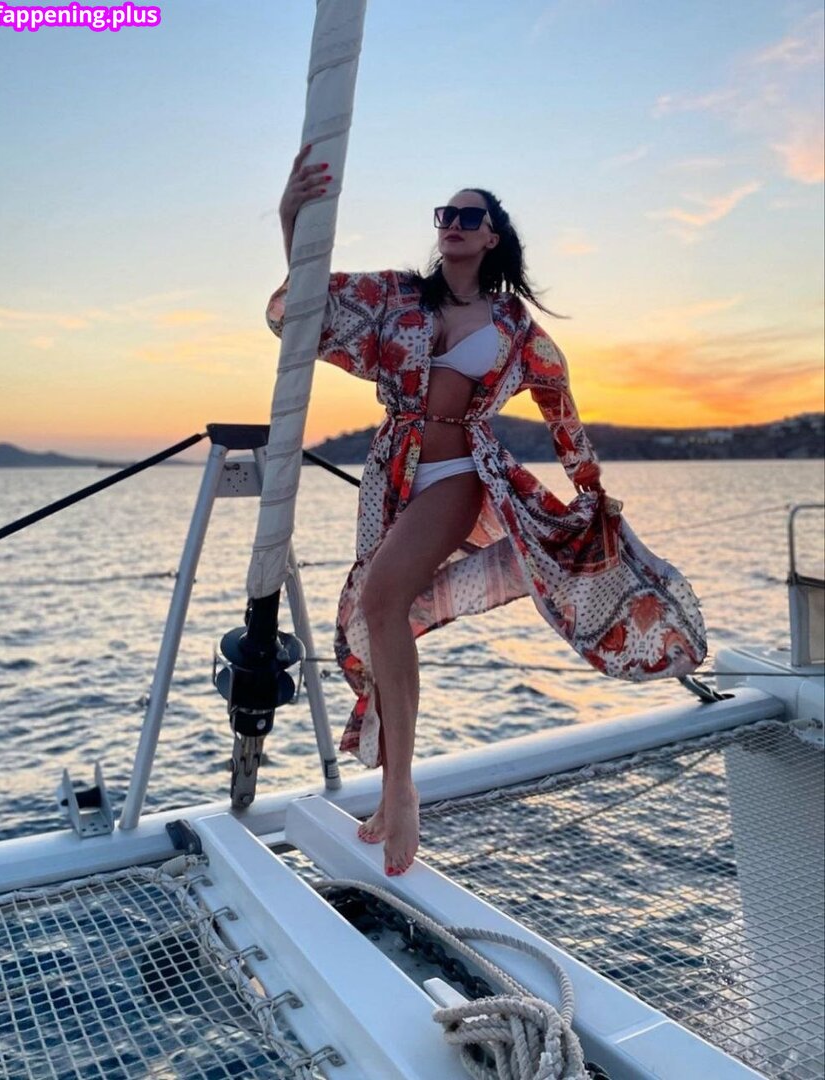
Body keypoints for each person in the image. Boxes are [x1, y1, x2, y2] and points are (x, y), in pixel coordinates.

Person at [267, 145, 707, 878]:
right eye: (445, 214)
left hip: (458, 472)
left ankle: (401, 791)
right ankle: (395, 785)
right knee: (380, 614)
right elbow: (314, 301)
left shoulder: (513, 327)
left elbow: (561, 407)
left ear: (492, 236)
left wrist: (589, 489)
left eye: (468, 217)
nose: (452, 224)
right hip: (392, 471)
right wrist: (290, 217)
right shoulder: (397, 297)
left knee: (381, 601)